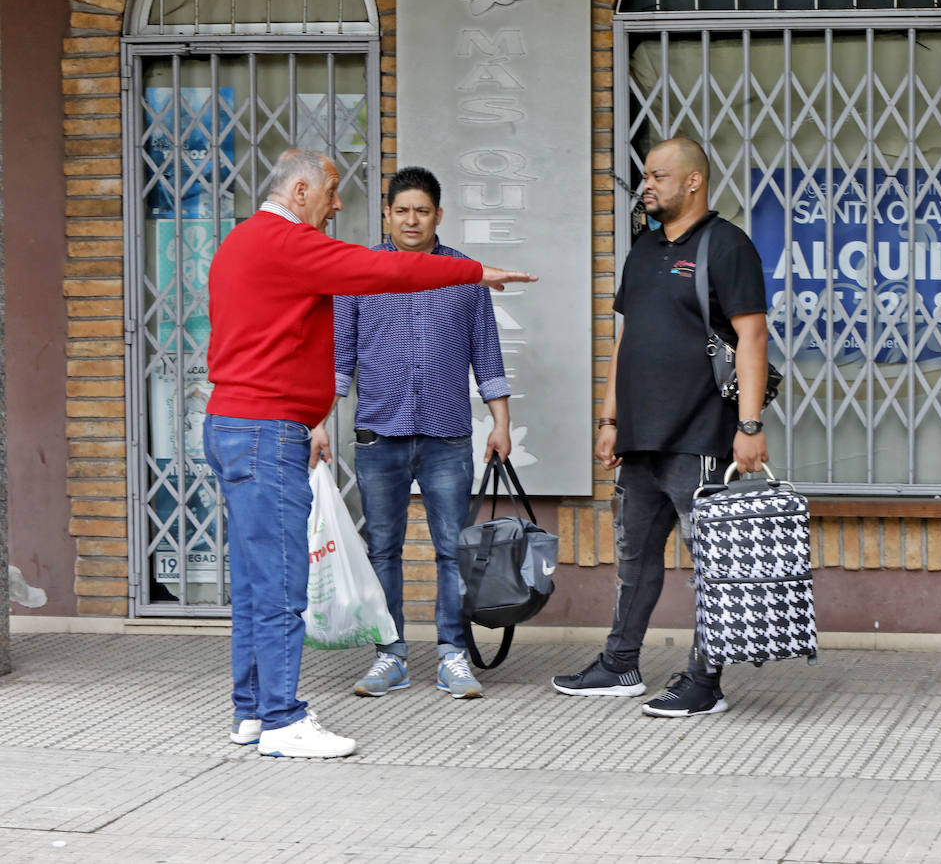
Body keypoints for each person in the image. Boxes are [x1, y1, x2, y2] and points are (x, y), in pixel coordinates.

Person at [204, 147, 537, 758]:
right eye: (331, 194)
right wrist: (472, 272)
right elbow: (381, 273)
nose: (336, 207)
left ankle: (250, 714)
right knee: (280, 586)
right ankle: (282, 719)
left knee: (254, 585)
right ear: (301, 190)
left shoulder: (239, 242)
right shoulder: (288, 243)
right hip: (267, 428)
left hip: (235, 422)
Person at [551, 136, 770, 717]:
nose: (646, 185)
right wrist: (609, 417)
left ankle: (705, 680)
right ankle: (620, 663)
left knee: (712, 565)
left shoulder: (727, 246)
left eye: (657, 175)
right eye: (645, 176)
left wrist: (749, 424)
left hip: (700, 435)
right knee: (634, 560)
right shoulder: (643, 250)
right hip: (640, 437)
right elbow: (625, 340)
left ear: (692, 182)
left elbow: (753, 336)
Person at [333, 166, 511, 702]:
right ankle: (391, 656)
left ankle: (452, 655)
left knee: (450, 549)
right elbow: (339, 358)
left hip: (447, 435)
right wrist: (317, 423)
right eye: (402, 210)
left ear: (439, 215)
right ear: (386, 214)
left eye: (423, 210)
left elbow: (487, 352)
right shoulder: (358, 271)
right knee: (382, 549)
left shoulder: (465, 275)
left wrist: (501, 422)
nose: (412, 219)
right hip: (378, 435)